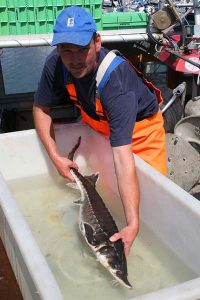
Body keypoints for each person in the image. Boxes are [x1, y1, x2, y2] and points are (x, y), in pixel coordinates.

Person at [33, 6, 167, 256]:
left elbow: (121, 156)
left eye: (82, 49)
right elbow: (41, 108)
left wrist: (133, 223)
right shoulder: (55, 62)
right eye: (66, 50)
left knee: (152, 206)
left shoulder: (116, 81)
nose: (74, 60)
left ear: (97, 41)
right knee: (109, 191)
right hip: (99, 126)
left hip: (141, 134)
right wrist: (54, 157)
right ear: (58, 48)